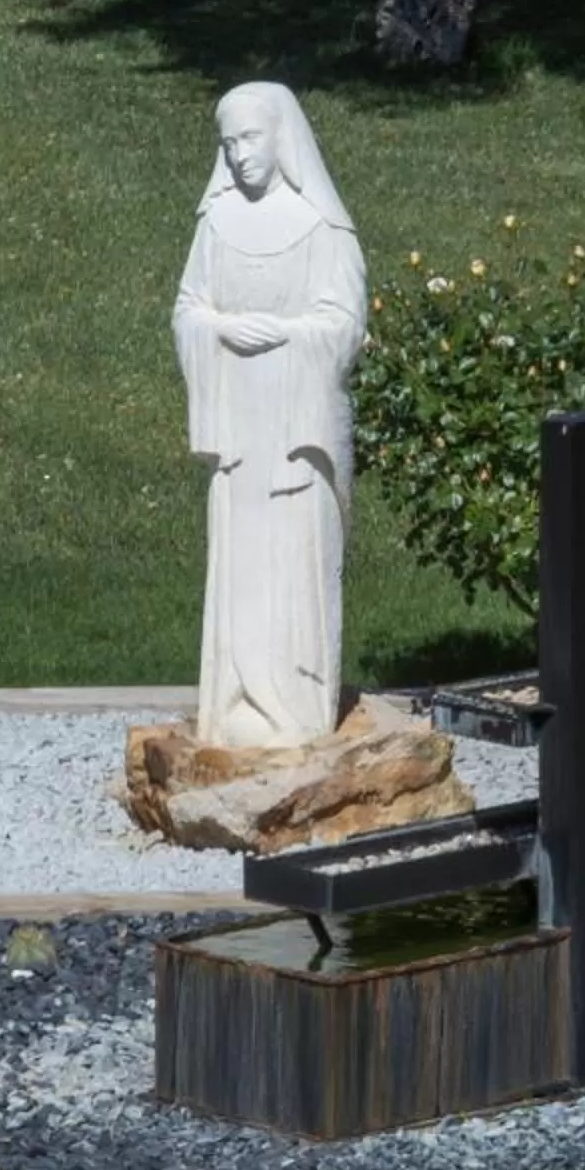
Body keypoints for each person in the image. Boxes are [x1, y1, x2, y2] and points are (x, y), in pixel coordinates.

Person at [174, 83, 367, 749]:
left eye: (250, 139)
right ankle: (235, 698)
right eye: (227, 144)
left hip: (295, 432)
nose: (239, 155)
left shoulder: (321, 229)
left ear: (280, 139)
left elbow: (343, 325)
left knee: (295, 564)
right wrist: (223, 329)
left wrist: (285, 336)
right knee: (242, 565)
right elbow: (187, 310)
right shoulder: (216, 226)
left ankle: (296, 706)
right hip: (240, 432)